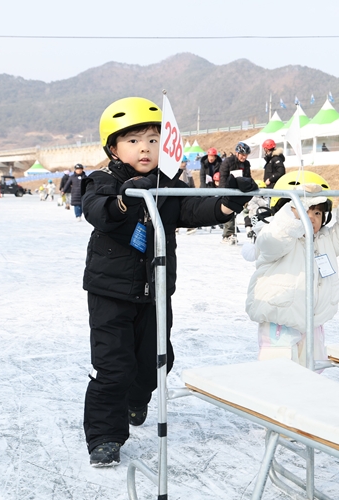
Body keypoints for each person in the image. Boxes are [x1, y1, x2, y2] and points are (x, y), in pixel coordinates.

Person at [80, 97, 256, 467]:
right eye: (133, 141)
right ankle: (105, 437)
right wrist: (128, 197)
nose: (144, 148)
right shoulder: (103, 181)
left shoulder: (168, 185)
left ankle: (137, 396)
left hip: (156, 291)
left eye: (153, 140)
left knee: (155, 363)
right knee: (113, 367)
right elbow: (99, 211)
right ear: (113, 149)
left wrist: (230, 202)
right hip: (110, 292)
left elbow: (195, 210)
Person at [245, 171, 339, 367]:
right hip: (280, 324)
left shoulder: (325, 240)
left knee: (311, 369)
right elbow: (273, 240)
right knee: (277, 371)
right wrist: (296, 208)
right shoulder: (275, 237)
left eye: (317, 213)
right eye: (305, 211)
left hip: (313, 324)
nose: (311, 218)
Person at [218, 142, 252, 244]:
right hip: (228, 190)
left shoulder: (246, 164)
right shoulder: (228, 162)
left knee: (247, 209)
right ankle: (228, 234)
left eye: (246, 155)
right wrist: (225, 192)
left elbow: (248, 178)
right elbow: (223, 178)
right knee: (229, 211)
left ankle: (250, 229)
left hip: (240, 191)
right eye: (242, 155)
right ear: (237, 153)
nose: (244, 157)